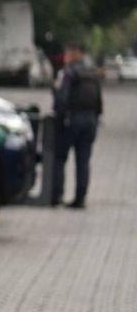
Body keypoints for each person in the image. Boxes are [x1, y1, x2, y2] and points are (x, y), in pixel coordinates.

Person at [52, 42, 102, 208]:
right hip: (90, 120)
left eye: (67, 53)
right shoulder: (91, 72)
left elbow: (62, 97)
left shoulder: (68, 72)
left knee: (60, 157)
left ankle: (56, 195)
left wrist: (59, 114)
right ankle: (80, 199)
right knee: (83, 160)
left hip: (71, 120)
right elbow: (99, 101)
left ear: (73, 54)